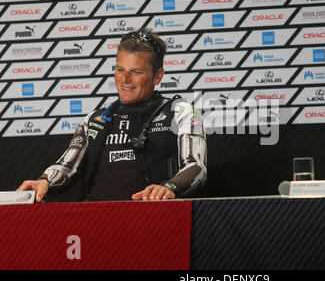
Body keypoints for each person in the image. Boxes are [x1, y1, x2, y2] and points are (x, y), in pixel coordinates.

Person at [18, 28, 207, 202]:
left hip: (150, 219)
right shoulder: (95, 120)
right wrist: (44, 182)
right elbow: (67, 166)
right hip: (92, 219)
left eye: (136, 71)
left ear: (157, 76)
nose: (125, 79)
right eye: (120, 69)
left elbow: (196, 168)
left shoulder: (182, 112)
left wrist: (169, 187)